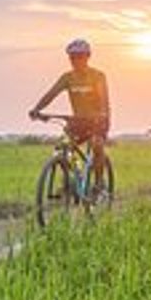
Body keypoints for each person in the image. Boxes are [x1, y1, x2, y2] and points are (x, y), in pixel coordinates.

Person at [28, 38, 111, 190]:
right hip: (78, 121)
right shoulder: (68, 77)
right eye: (72, 57)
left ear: (87, 56)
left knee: (96, 145)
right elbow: (51, 94)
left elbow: (104, 99)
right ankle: (71, 181)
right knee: (62, 147)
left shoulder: (98, 76)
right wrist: (37, 109)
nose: (75, 60)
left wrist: (104, 115)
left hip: (98, 120)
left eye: (79, 56)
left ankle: (99, 182)